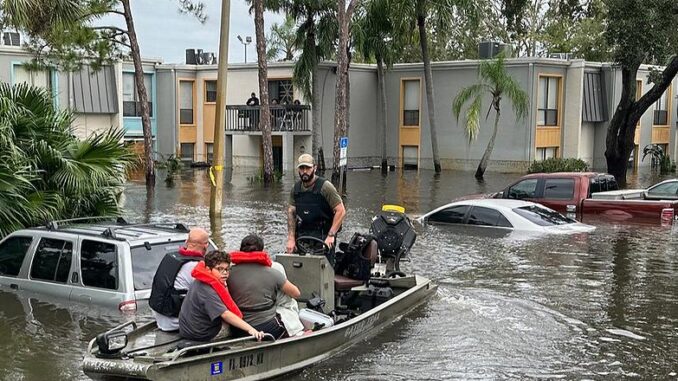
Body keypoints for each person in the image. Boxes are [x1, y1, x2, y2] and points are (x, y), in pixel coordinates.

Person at [179, 250, 265, 342]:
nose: (225, 273)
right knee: (238, 329)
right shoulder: (207, 290)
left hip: (188, 328)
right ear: (208, 269)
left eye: (227, 269)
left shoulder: (201, 279)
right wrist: (250, 329)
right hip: (199, 334)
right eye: (220, 269)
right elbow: (225, 314)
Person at [228, 234, 301, 339]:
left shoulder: (227, 273)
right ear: (262, 251)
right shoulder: (273, 271)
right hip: (267, 328)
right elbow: (296, 293)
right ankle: (297, 332)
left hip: (238, 329)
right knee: (290, 301)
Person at [286, 154, 346, 265]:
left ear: (315, 168)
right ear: (298, 169)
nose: (304, 171)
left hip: (323, 237)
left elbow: (341, 210)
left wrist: (331, 235)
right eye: (302, 168)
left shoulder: (326, 187)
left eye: (308, 168)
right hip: (303, 236)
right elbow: (291, 212)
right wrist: (291, 238)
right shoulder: (295, 189)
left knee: (325, 272)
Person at [149, 227, 209, 332]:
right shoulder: (197, 266)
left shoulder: (170, 258)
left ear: (186, 242)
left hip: (160, 318)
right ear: (206, 246)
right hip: (177, 323)